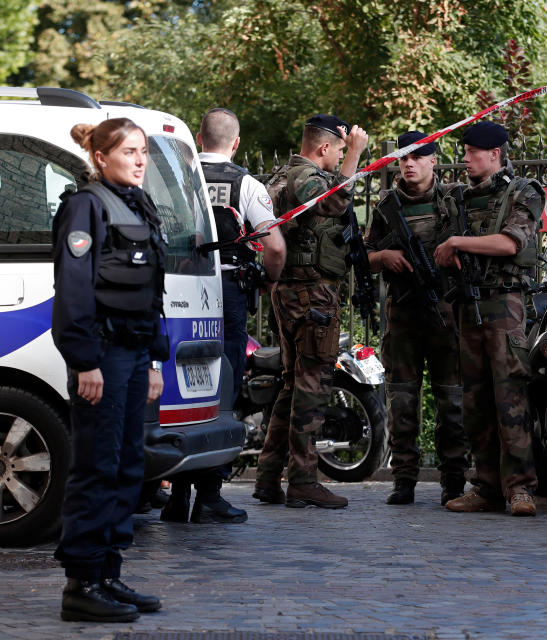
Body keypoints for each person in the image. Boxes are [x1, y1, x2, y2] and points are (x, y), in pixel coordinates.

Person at [52, 118, 169, 621]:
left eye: (143, 151)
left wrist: (155, 359)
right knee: (96, 466)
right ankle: (81, 584)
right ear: (101, 157)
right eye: (129, 151)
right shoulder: (86, 206)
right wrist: (85, 362)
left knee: (126, 466)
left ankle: (108, 573)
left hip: (135, 353)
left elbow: (149, 291)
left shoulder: (138, 203)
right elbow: (74, 291)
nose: (140, 160)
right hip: (101, 355)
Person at [160, 108, 285, 525]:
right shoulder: (245, 183)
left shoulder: (179, 177)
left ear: (198, 137)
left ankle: (177, 496)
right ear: (235, 144)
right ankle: (210, 496)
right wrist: (268, 281)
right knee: (221, 391)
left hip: (180, 289)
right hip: (228, 292)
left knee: (186, 391)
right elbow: (276, 246)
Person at [252, 114, 368, 509]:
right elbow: (335, 202)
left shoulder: (283, 175)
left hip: (291, 296)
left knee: (291, 385)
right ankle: (303, 479)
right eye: (337, 149)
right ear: (324, 147)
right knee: (312, 386)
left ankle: (269, 477)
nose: (339, 156)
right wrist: (355, 154)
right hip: (311, 297)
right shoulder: (306, 178)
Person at [434, 121, 544, 517]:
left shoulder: (524, 192)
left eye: (471, 152)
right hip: (466, 305)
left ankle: (520, 489)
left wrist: (459, 242)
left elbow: (511, 242)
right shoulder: (458, 199)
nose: (464, 159)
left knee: (510, 397)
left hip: (504, 307)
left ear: (494, 154)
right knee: (475, 401)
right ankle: (486, 486)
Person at [365, 130, 469, 506]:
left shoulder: (454, 201)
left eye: (417, 157)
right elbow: (364, 255)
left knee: (452, 399)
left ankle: (454, 480)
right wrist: (384, 258)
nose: (408, 164)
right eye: (403, 158)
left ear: (432, 160)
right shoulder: (387, 206)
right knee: (402, 399)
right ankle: (404, 478)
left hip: (446, 312)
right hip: (404, 313)